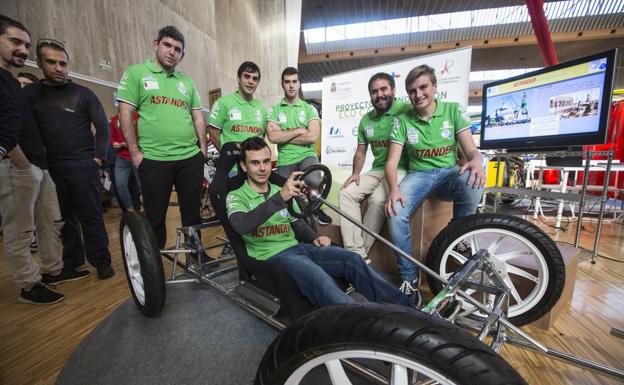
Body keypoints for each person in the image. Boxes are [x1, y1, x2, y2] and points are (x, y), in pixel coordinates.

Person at [227, 137, 411, 307]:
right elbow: (241, 225)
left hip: (299, 248)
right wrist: (280, 197)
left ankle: (407, 308)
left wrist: (315, 237)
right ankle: (365, 326)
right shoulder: (236, 196)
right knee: (320, 279)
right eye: (255, 163)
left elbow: (296, 223)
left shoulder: (279, 189)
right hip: (274, 257)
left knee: (352, 259)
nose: (262, 168)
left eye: (266, 162)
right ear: (243, 166)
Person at [0, 16, 89, 305]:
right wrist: (22, 163)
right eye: (15, 42)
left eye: (26, 44)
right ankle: (29, 284)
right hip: (19, 166)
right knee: (21, 230)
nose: (22, 50)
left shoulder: (13, 83)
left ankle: (52, 270)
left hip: (40, 165)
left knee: (51, 222)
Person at [385, 64, 485, 304]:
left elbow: (471, 151)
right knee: (394, 213)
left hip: (448, 172)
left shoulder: (453, 110)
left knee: (473, 178)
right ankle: (410, 280)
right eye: (412, 90)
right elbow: (391, 162)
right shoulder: (402, 120)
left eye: (423, 87)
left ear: (435, 87)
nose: (418, 94)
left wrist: (478, 161)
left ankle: (458, 236)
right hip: (418, 175)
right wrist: (393, 190)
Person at [24, 37, 114, 279]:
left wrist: (97, 159)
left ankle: (101, 260)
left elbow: (103, 128)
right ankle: (73, 262)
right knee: (63, 219)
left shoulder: (84, 94)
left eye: (62, 63)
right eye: (51, 62)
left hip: (82, 164)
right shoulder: (31, 94)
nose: (58, 68)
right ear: (40, 63)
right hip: (49, 166)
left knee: (91, 215)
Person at [117, 25, 206, 248]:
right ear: (156, 45)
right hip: (154, 160)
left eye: (177, 49)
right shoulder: (136, 73)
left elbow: (197, 117)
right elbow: (125, 113)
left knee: (192, 215)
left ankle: (196, 256)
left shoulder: (187, 82)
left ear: (182, 55)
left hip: (189, 159)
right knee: (155, 217)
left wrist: (202, 149)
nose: (171, 51)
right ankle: (154, 264)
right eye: (167, 45)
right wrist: (135, 153)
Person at [339, 72, 411, 263]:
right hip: (377, 169)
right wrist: (355, 173)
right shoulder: (366, 120)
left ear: (393, 90)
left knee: (378, 199)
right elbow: (361, 152)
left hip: (401, 168)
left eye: (383, 89)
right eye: (374, 91)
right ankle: (356, 252)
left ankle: (361, 253)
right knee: (346, 192)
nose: (379, 95)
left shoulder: (406, 110)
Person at [207, 61, 267, 256]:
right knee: (232, 202)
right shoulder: (224, 103)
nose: (251, 82)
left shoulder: (261, 108)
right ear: (239, 78)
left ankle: (254, 242)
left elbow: (262, 139)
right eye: (247, 77)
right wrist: (228, 155)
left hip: (253, 165)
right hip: (232, 164)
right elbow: (213, 131)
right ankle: (232, 242)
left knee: (255, 203)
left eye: (255, 78)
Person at [266, 67, 332, 225]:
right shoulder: (274, 110)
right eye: (287, 82)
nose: (291, 85)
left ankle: (316, 208)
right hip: (285, 160)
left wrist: (284, 136)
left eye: (294, 82)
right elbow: (272, 136)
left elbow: (312, 136)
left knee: (314, 180)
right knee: (289, 195)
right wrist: (298, 131)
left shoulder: (309, 109)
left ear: (299, 84)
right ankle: (307, 213)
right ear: (282, 84)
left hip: (306, 156)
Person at [109, 113, 142, 212]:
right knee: (120, 185)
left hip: (136, 155)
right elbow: (112, 137)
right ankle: (130, 211)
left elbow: (142, 135)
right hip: (121, 158)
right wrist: (114, 143)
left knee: (141, 186)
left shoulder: (137, 116)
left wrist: (131, 143)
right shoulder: (114, 119)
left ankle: (144, 208)